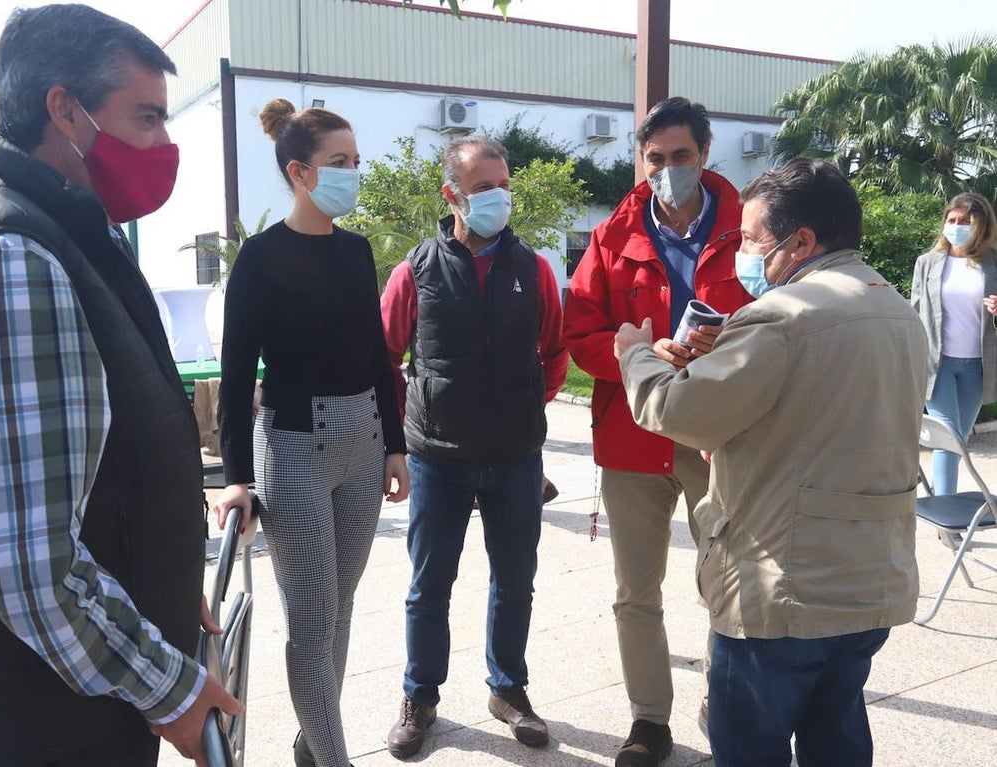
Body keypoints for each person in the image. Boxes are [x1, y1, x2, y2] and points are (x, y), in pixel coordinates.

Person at [0, 6, 241, 766]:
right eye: (146, 117)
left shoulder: (59, 233)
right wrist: (167, 687)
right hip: (40, 729)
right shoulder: (8, 254)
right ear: (64, 108)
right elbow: (24, 557)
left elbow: (94, 474)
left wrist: (160, 591)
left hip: (60, 709)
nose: (164, 145)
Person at [613, 158, 926, 767]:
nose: (745, 254)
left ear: (801, 241)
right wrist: (730, 349)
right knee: (835, 736)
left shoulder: (783, 316)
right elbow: (818, 417)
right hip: (867, 579)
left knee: (748, 747)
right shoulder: (893, 307)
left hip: (783, 587)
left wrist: (637, 356)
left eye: (753, 239)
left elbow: (679, 411)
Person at [211, 98, 409, 767]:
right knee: (311, 621)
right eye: (339, 163)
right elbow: (235, 378)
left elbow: (378, 354)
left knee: (340, 608)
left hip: (363, 441)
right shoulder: (261, 259)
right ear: (299, 171)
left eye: (355, 161)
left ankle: (310, 744)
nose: (353, 173)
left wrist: (396, 443)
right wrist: (236, 476)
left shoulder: (357, 251)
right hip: (293, 448)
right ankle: (334, 758)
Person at [562, 96, 751, 765]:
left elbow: (783, 323)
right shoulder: (613, 237)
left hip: (719, 434)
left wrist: (721, 346)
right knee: (635, 590)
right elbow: (579, 333)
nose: (668, 169)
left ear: (705, 154)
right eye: (656, 159)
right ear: (641, 162)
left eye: (681, 157)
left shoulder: (749, 230)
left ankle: (727, 703)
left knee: (727, 579)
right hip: (633, 435)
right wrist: (641, 352)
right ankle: (649, 719)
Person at [380, 135, 568, 759]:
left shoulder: (533, 268)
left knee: (516, 582)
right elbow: (385, 357)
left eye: (505, 184)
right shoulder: (417, 269)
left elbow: (556, 351)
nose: (499, 196)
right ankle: (420, 696)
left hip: (516, 457)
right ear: (452, 194)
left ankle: (508, 690)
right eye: (485, 186)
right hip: (437, 456)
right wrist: (397, 442)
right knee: (429, 586)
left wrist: (524, 408)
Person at [911, 192, 997, 494]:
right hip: (937, 364)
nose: (957, 226)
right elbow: (915, 311)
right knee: (950, 439)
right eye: (952, 220)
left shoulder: (993, 264)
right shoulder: (928, 263)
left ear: (981, 226)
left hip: (978, 366)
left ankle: (939, 500)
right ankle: (947, 519)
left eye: (965, 221)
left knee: (958, 438)